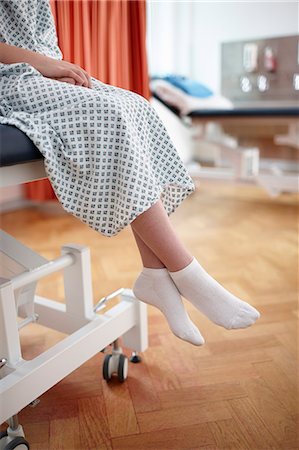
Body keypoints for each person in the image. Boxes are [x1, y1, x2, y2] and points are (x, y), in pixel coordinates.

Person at [0, 0, 260, 347]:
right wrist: (47, 64)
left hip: (44, 71)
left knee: (137, 105)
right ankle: (186, 272)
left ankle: (154, 272)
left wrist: (58, 68)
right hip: (9, 78)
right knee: (108, 114)